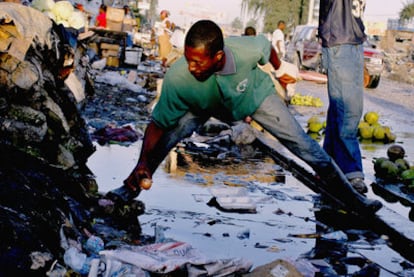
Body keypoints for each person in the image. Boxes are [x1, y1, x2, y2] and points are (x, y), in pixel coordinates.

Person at [106, 20, 382, 215]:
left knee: (305, 147)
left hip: (255, 97)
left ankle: (353, 199)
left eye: (198, 61)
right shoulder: (180, 77)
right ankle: (129, 188)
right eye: (188, 59)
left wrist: (280, 66)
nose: (191, 67)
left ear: (218, 56)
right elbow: (156, 125)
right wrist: (143, 160)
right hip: (201, 105)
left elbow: (265, 46)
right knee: (165, 140)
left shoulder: (244, 49)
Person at [319, 0, 368, 194]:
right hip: (340, 41)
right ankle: (351, 171)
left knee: (339, 108)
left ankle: (327, 163)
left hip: (353, 40)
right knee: (349, 109)